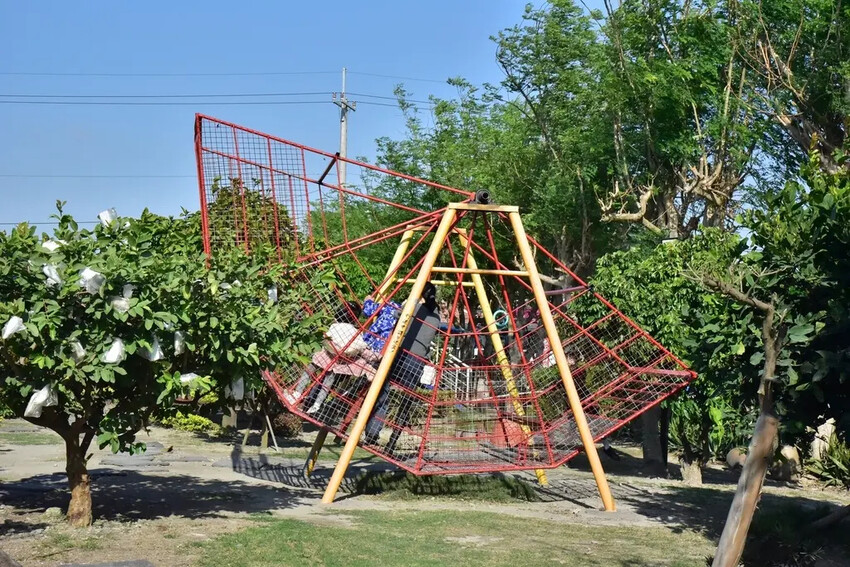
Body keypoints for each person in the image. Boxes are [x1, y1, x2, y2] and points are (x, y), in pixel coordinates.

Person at [363, 282, 441, 449]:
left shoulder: (413, 307)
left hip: (400, 355)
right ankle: (392, 443)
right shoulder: (436, 318)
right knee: (406, 403)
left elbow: (396, 314)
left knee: (382, 390)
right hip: (417, 362)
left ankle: (372, 431)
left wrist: (410, 301)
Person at [283, 301, 376, 411]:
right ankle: (317, 404)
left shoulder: (334, 326)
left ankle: (298, 393)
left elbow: (327, 337)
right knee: (327, 382)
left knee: (309, 371)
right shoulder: (356, 332)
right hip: (340, 361)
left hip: (326, 354)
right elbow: (361, 347)